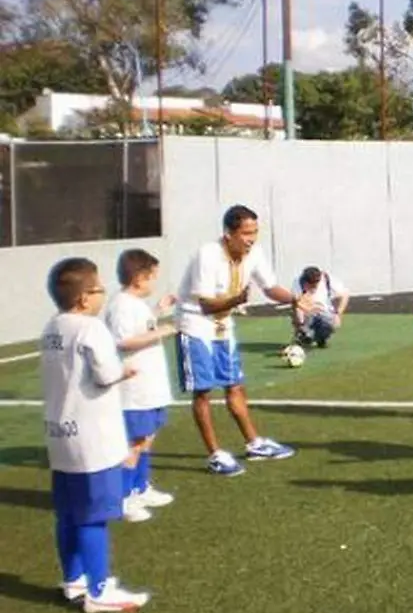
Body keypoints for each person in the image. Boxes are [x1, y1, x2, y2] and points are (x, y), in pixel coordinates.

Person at [41, 257, 150, 613]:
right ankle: (99, 590)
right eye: (99, 287)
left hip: (60, 435)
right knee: (94, 516)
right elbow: (104, 374)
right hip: (93, 439)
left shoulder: (52, 327)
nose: (104, 293)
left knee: (68, 513)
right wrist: (125, 372)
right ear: (84, 297)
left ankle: (74, 579)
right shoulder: (91, 329)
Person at [176, 204, 309, 476]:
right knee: (202, 391)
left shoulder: (254, 254)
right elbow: (204, 305)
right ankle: (215, 454)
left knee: (235, 385)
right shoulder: (208, 255)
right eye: (246, 233)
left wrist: (296, 299)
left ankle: (254, 443)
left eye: (255, 232)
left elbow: (270, 288)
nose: (251, 239)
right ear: (229, 234)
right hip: (196, 325)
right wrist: (236, 300)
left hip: (224, 325)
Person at [104, 249, 177, 523]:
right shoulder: (121, 304)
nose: (154, 282)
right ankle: (123, 499)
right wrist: (162, 331)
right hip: (134, 389)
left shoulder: (136, 304)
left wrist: (158, 310)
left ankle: (140, 487)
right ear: (138, 277)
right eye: (152, 277)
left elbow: (140, 327)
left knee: (147, 439)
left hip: (151, 387)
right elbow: (123, 341)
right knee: (134, 443)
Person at [291, 266, 349, 348]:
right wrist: (305, 311)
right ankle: (303, 336)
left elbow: (345, 294)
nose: (313, 287)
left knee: (331, 323)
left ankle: (321, 338)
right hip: (307, 310)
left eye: (315, 283)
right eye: (310, 284)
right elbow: (296, 302)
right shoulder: (298, 282)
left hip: (325, 311)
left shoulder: (327, 279)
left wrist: (338, 314)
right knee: (300, 317)